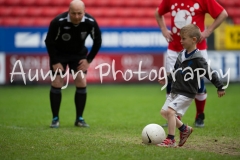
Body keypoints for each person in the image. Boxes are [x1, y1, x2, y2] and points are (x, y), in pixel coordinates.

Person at [155, 0, 228, 127]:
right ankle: (171, 116)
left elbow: (223, 14)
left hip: (196, 50)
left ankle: (200, 115)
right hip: (174, 48)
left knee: (198, 83)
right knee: (171, 81)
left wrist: (208, 31)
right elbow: (158, 12)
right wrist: (163, 29)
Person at [157, 24, 225, 147]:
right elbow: (176, 71)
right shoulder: (182, 54)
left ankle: (170, 139)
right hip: (175, 90)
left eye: (183, 38)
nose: (181, 41)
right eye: (180, 38)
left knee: (171, 112)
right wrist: (167, 78)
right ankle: (184, 129)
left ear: (194, 40)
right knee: (164, 112)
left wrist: (219, 86)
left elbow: (209, 72)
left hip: (186, 92)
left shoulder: (198, 58)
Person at [45, 0, 102, 128]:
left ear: (84, 12)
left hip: (78, 55)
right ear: (68, 11)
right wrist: (54, 61)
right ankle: (55, 119)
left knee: (81, 81)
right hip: (59, 55)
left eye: (79, 13)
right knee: (57, 82)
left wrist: (88, 60)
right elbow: (49, 41)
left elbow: (97, 41)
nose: (76, 16)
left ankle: (79, 119)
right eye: (73, 13)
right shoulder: (58, 22)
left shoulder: (90, 22)